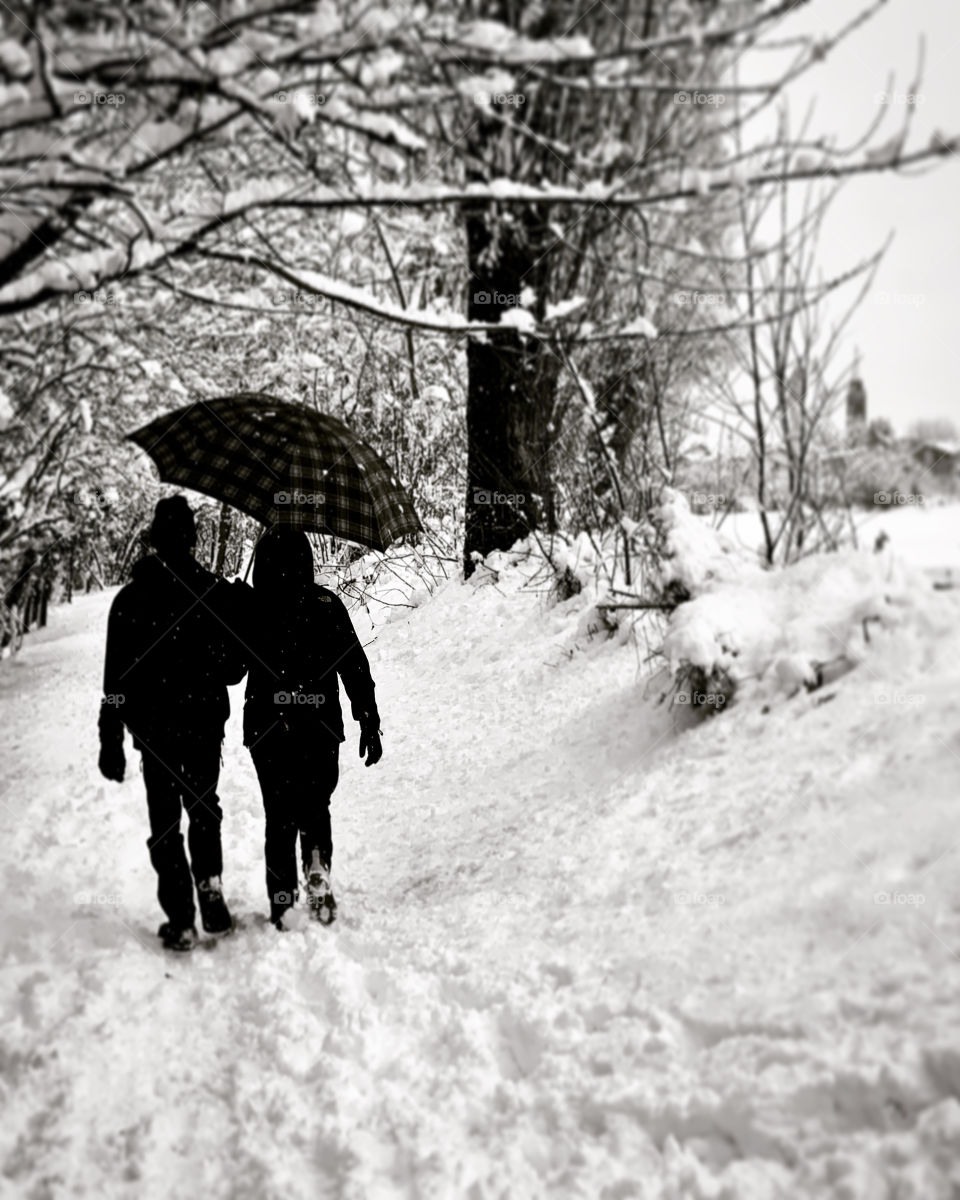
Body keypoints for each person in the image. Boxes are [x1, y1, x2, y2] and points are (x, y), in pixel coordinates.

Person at [98, 496, 248, 952]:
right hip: (203, 725)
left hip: (155, 731)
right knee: (204, 808)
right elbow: (234, 671)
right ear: (193, 539)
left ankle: (181, 918)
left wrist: (112, 739)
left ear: (154, 540)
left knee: (165, 822)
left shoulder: (129, 599)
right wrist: (236, 613)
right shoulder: (214, 593)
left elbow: (115, 680)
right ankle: (210, 889)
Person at [240, 529, 382, 929]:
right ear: (307, 560)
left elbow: (233, 670)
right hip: (320, 725)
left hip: (266, 726)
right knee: (315, 804)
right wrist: (367, 718)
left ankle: (283, 900)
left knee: (278, 813)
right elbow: (354, 666)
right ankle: (317, 868)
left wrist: (239, 607)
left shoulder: (255, 607)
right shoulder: (326, 603)